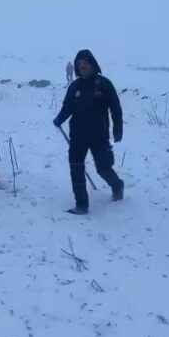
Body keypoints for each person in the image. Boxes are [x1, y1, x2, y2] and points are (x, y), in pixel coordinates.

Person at [53, 50, 125, 215]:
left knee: (103, 167)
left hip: (99, 134)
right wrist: (59, 119)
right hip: (77, 134)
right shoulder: (74, 87)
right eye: (79, 64)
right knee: (76, 166)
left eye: (85, 63)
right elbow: (67, 107)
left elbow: (115, 108)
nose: (82, 66)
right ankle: (81, 205)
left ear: (92, 64)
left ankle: (117, 185)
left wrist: (118, 129)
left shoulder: (104, 84)